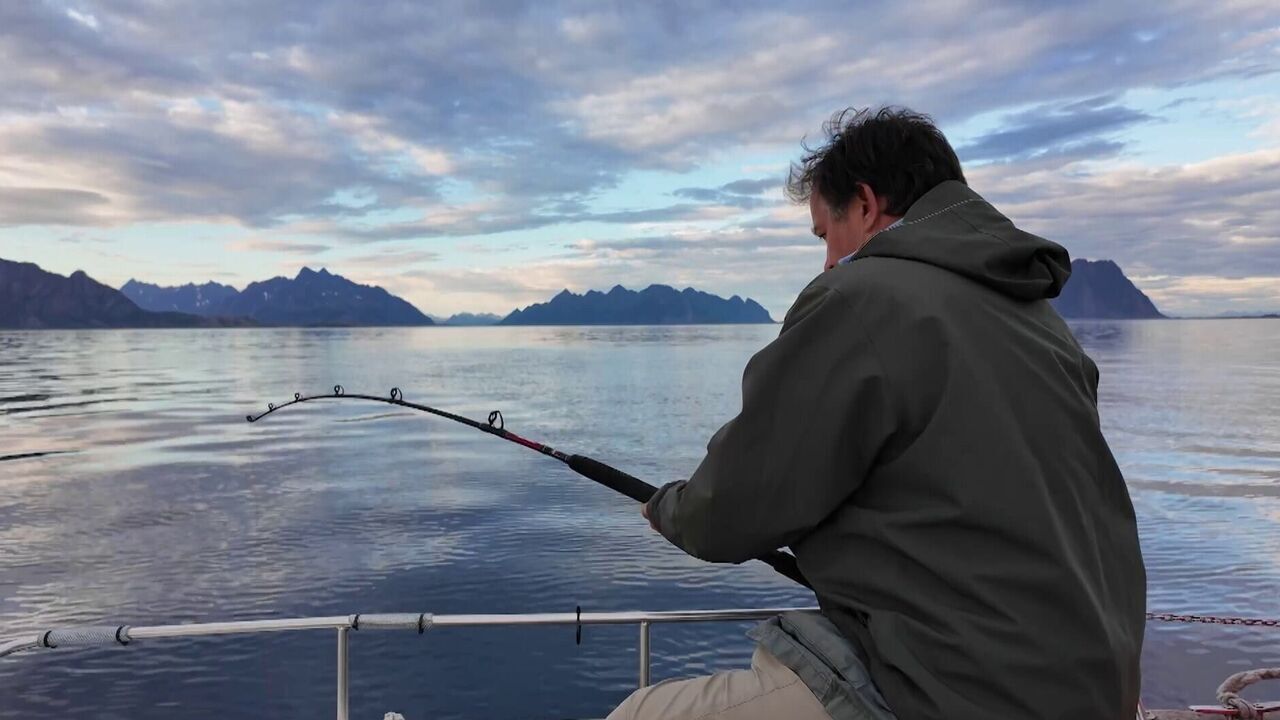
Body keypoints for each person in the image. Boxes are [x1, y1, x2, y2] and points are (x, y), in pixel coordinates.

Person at [607, 107, 1146, 720]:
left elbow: (729, 509)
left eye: (823, 235)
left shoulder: (861, 297)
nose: (826, 262)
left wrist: (669, 509)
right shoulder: (1042, 323)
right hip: (1095, 688)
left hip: (960, 692)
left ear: (865, 204)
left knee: (638, 714)